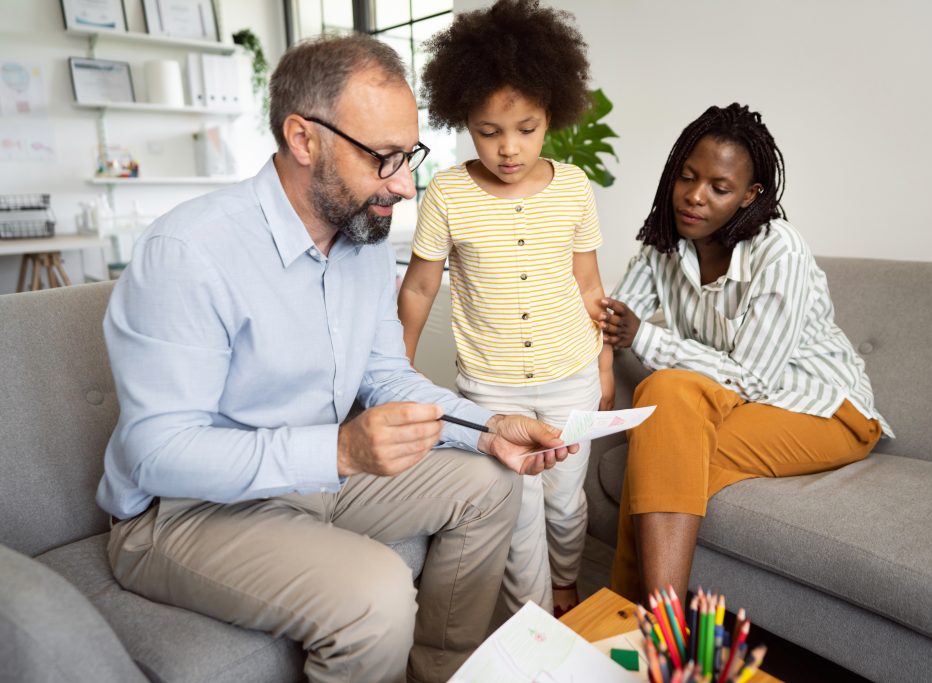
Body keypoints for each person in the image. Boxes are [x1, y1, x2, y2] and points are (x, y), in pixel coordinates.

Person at [96, 34, 578, 683]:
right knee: (376, 595)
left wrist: (489, 427)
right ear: (303, 139)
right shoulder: (189, 252)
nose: (406, 186)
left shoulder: (363, 241)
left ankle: (443, 671)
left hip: (314, 479)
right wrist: (342, 452)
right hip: (183, 514)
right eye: (384, 159)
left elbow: (386, 375)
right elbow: (159, 452)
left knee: (491, 479)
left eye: (410, 156)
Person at [598, 103, 894, 601]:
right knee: (666, 397)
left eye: (719, 187)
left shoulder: (780, 249)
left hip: (824, 410)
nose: (695, 197)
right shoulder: (663, 246)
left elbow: (752, 380)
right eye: (687, 178)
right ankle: (658, 631)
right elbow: (611, 316)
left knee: (659, 441)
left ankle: (637, 621)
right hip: (737, 406)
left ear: (749, 195)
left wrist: (643, 336)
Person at [397, 0, 613, 619]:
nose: (509, 149)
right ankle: (538, 620)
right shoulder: (446, 192)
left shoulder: (573, 186)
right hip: (490, 387)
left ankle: (567, 583)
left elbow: (589, 283)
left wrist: (602, 365)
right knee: (515, 511)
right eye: (489, 132)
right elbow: (417, 289)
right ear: (463, 118)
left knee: (565, 505)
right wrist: (399, 369)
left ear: (553, 115)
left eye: (527, 128)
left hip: (570, 374)